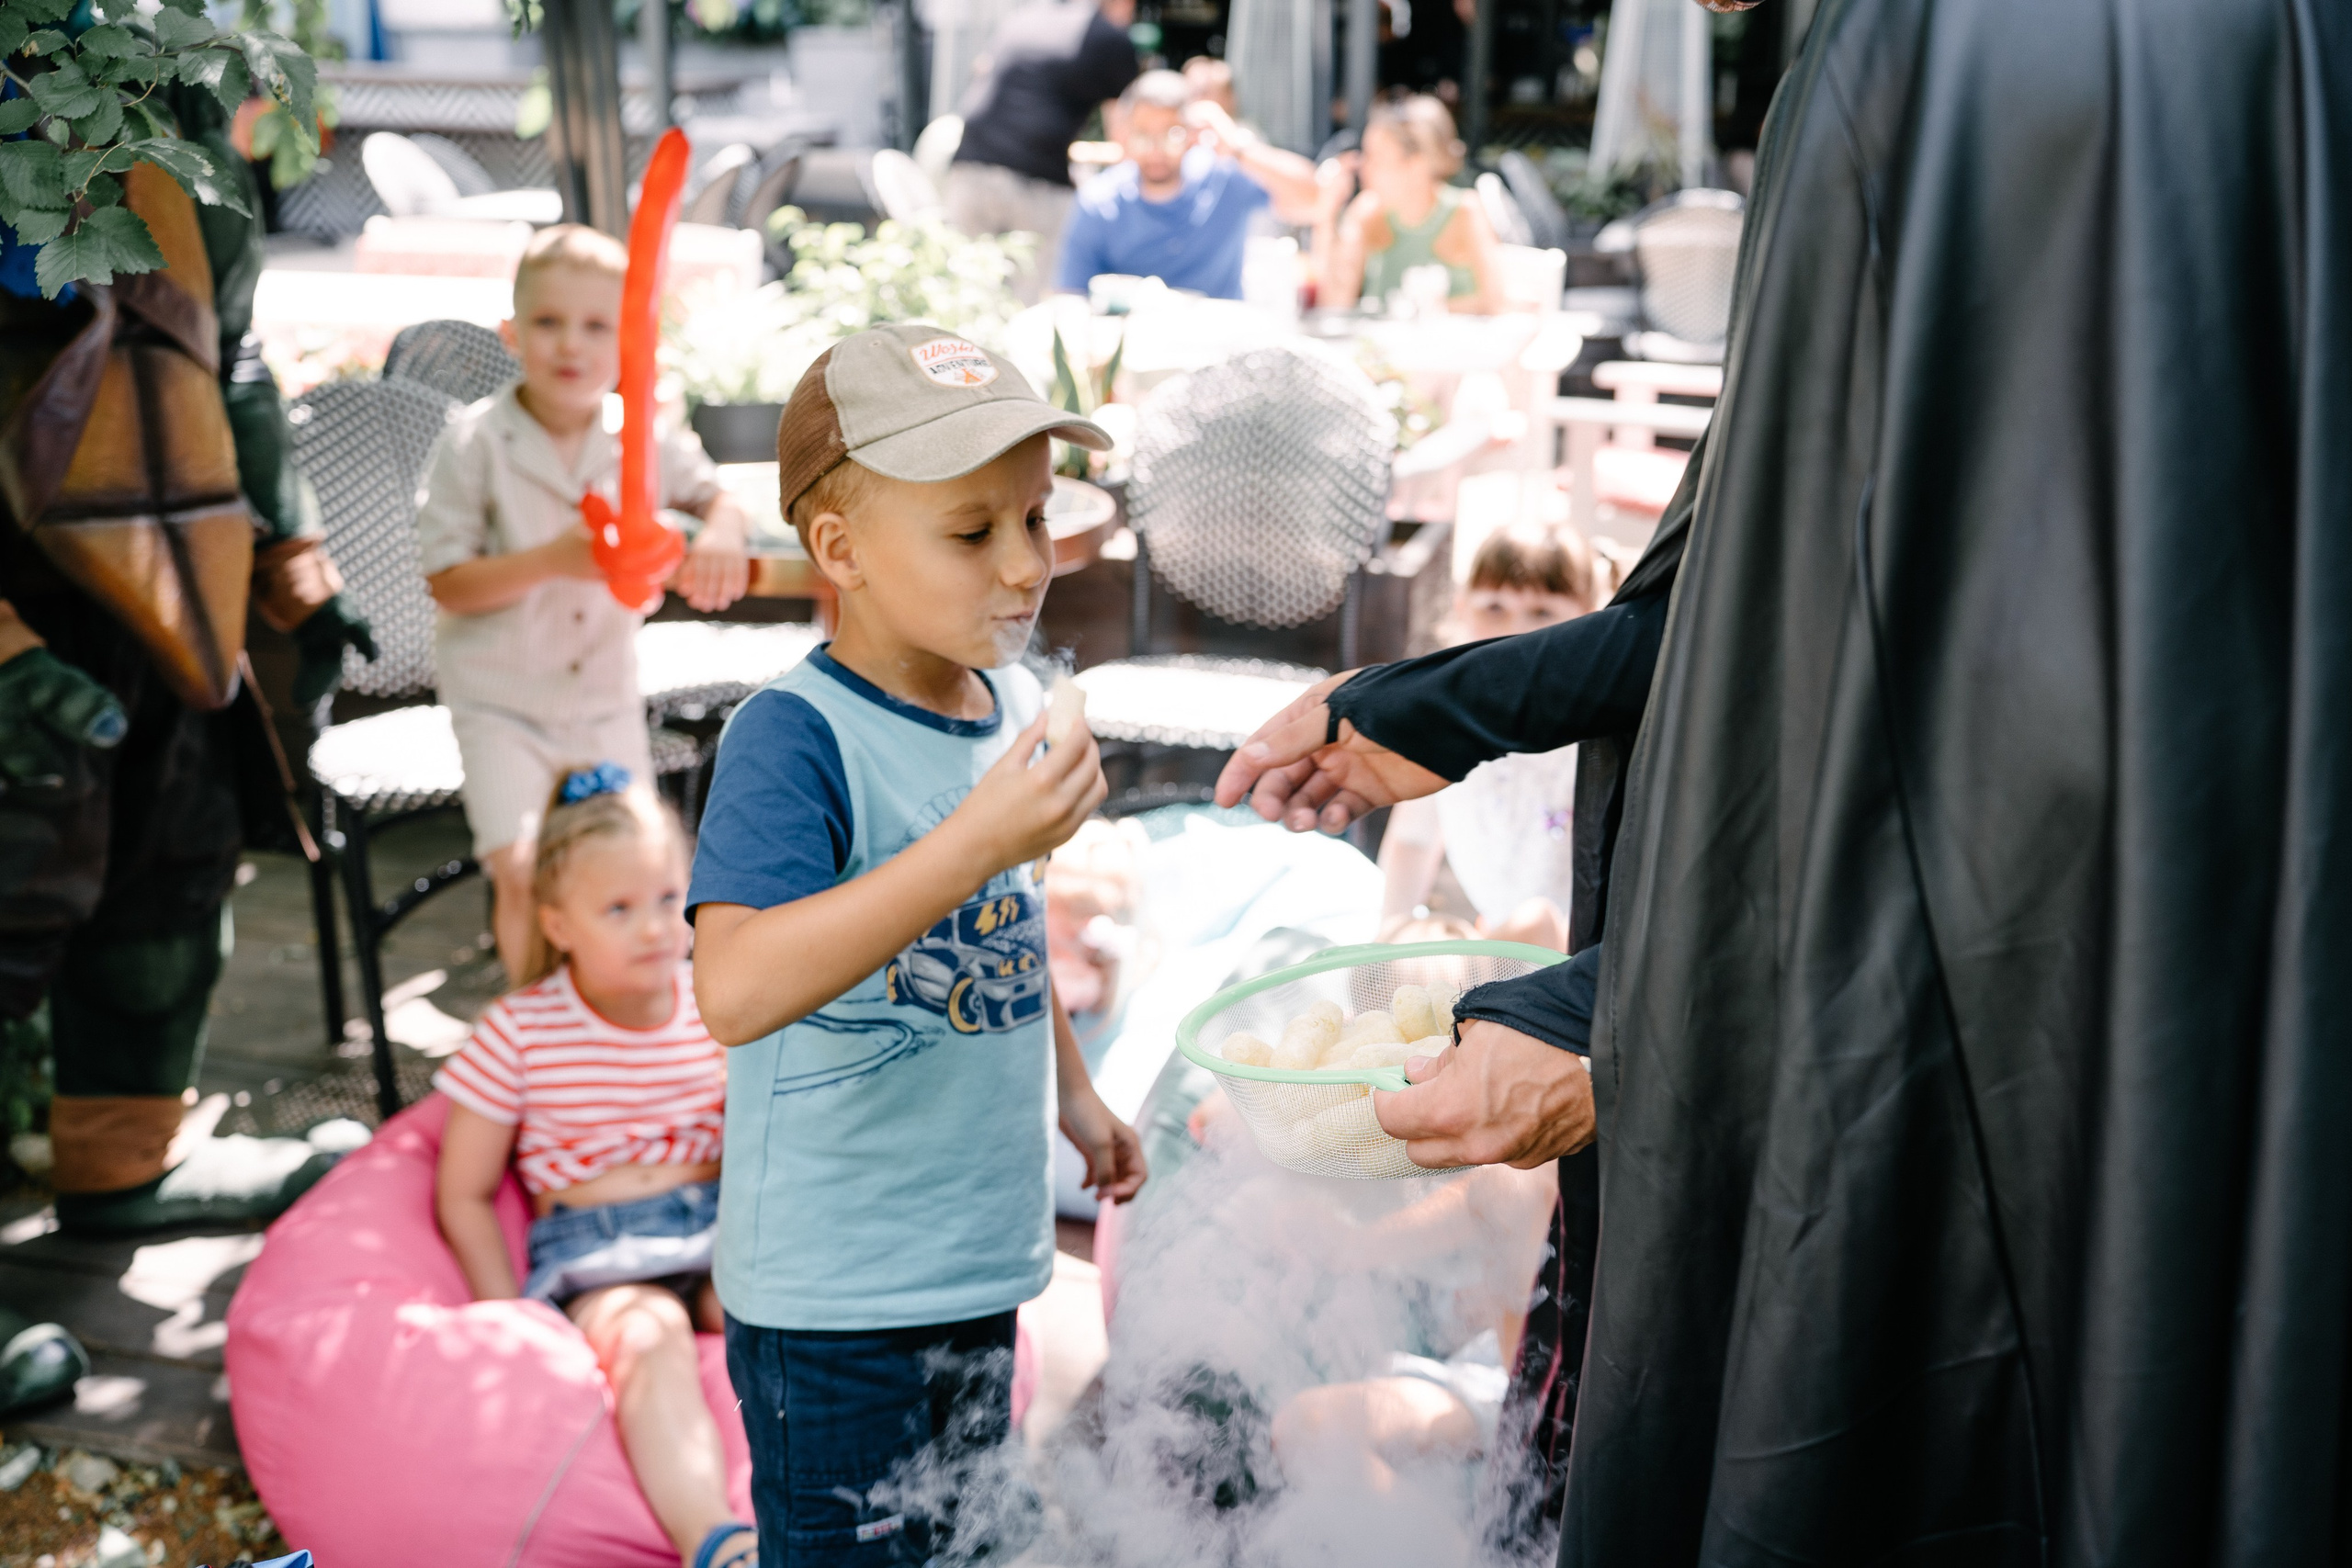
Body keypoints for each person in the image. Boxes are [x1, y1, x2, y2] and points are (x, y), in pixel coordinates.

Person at [1228, 0, 2352, 1557]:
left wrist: (1631, 1023)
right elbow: (1812, 594)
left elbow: (2010, 762)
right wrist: (1461, 701)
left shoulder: (1984, 49)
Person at [686, 324, 1148, 1562]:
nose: (1025, 566)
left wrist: (1079, 1091)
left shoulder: (1000, 706)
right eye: (971, 531)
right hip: (834, 1309)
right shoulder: (794, 738)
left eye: (1037, 521)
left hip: (973, 1272)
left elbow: (1001, 934)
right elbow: (734, 987)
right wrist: (979, 839)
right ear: (841, 549)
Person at [0, 73, 377, 1249]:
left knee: (171, 871)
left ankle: (124, 1163)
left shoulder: (168, 96)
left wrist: (296, 573)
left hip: (176, 589)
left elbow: (233, 353)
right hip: (23, 600)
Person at [432, 768, 753, 1568]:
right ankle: (715, 1538)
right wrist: (505, 1313)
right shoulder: (521, 1029)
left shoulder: (717, 1001)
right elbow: (465, 1191)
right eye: (618, 908)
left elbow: (762, 1135)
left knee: (770, 1312)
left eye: (665, 897)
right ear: (558, 923)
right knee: (652, 1334)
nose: (653, 927)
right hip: (598, 1251)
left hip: (716, 1225)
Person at [415, 224, 751, 980]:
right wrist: (557, 559)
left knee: (640, 865)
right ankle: (540, 1042)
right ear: (512, 332)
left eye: (597, 325)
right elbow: (449, 582)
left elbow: (716, 494)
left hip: (601, 700)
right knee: (526, 869)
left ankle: (641, 1042)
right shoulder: (476, 443)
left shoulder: (640, 437)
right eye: (548, 322)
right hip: (502, 702)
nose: (572, 344)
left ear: (629, 338)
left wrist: (721, 529)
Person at [1379, 525, 1597, 951]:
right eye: (1494, 606)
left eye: (1542, 612)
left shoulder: (1592, 728)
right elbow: (1413, 840)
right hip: (1500, 932)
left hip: (1582, 943)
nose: (1515, 629)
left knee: (1535, 926)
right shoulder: (1444, 721)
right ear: (1461, 608)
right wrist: (1390, 934)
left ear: (1589, 619)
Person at [1055, 69, 1321, 302]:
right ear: (1124, 135)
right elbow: (1070, 297)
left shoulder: (1222, 177)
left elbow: (1315, 201)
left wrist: (1237, 147)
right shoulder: (1100, 201)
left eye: (1171, 135)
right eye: (1142, 136)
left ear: (1191, 133)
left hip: (1219, 348)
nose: (1156, 151)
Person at [948, 0, 1142, 299]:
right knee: (1027, 303)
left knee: (963, 297)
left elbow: (982, 71)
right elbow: (1131, 126)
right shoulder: (1107, 38)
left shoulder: (1024, 18)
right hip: (1035, 184)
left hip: (970, 168)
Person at [1314, 94, 1501, 315]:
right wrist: (1326, 215)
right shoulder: (1367, 214)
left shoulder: (1465, 211)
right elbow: (1334, 305)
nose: (1363, 168)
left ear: (1417, 165)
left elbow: (1499, 302)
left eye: (1377, 158)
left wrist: (1423, 310)